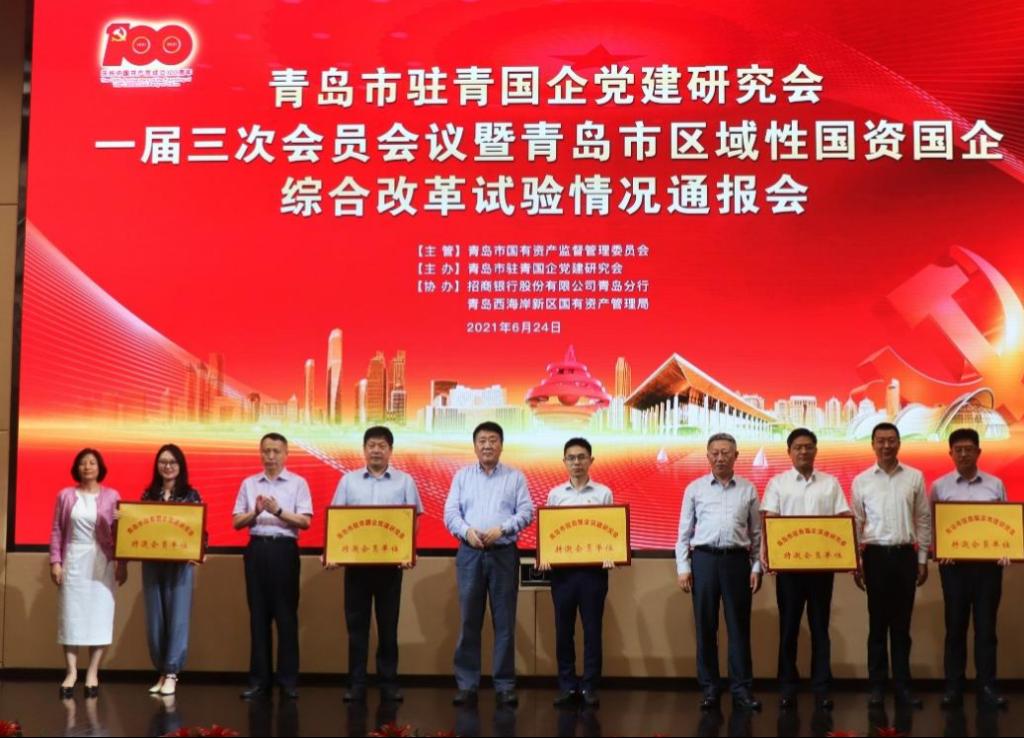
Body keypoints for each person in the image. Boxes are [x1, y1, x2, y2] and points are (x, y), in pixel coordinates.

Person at [327, 426, 423, 704]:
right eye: (372, 445)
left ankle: (388, 683)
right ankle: (356, 684)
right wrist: (333, 552)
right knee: (357, 629)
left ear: (390, 450)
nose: (376, 450)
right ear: (364, 449)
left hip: (390, 567)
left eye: (382, 445)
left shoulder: (405, 481)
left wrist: (407, 550)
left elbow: (414, 519)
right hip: (356, 566)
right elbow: (338, 520)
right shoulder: (348, 481)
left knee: (388, 628)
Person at [443, 421, 533, 707]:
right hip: (470, 553)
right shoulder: (462, 477)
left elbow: (527, 512)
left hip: (503, 554)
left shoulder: (515, 477)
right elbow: (450, 513)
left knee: (504, 621)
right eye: (482, 440)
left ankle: (504, 685)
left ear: (501, 445)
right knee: (469, 620)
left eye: (493, 440)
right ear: (474, 446)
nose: (487, 445)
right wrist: (466, 531)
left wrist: (503, 528)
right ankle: (467, 685)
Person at [760, 428, 849, 711]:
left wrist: (849, 552)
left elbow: (843, 518)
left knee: (820, 628)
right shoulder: (778, 483)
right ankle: (787, 687)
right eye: (798, 447)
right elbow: (769, 520)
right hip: (789, 569)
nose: (803, 451)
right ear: (789, 452)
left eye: (808, 446)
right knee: (788, 629)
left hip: (822, 567)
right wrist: (766, 552)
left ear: (815, 450)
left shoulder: (830, 484)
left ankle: (821, 689)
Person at [676, 433, 763, 712]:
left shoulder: (748, 489)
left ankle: (741, 689)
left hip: (736, 561)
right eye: (715, 453)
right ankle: (710, 689)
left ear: (736, 456)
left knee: (739, 628)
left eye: (726, 453)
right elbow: (683, 533)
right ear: (707, 456)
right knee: (705, 627)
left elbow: (757, 534)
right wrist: (683, 567)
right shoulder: (695, 489)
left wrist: (756, 566)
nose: (720, 457)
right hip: (704, 560)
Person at [852, 422, 931, 708]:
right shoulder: (861, 480)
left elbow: (923, 519)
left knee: (901, 627)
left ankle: (902, 688)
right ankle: (876, 687)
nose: (886, 446)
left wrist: (922, 559)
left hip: (905, 556)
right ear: (872, 444)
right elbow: (856, 523)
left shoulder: (914, 477)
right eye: (881, 441)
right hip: (874, 556)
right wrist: (857, 561)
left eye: (891, 440)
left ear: (899, 443)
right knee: (877, 625)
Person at [931, 428, 1010, 709]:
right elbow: (933, 526)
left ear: (978, 452)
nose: (963, 454)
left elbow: (1007, 525)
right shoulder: (940, 486)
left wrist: (1006, 549)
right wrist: (940, 550)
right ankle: (954, 688)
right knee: (955, 629)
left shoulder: (995, 485)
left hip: (988, 569)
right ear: (950, 453)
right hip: (954, 569)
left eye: (969, 449)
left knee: (986, 630)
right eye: (958, 449)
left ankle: (987, 687)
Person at [232, 433, 313, 700]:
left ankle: (288, 681)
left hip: (284, 550)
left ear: (286, 454)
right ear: (260, 453)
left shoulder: (298, 483)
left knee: (286, 617)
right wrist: (256, 512)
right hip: (257, 549)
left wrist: (278, 511)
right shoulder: (249, 483)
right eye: (266, 451)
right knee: (258, 617)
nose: (270, 456)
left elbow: (305, 522)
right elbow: (236, 522)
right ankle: (259, 681)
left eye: (276, 451)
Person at [537, 437, 614, 708]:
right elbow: (548, 531)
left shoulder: (603, 493)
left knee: (592, 631)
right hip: (563, 574)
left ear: (591, 460)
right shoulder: (555, 494)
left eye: (582, 457)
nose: (577, 462)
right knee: (563, 631)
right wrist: (545, 555)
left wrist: (611, 553)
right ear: (564, 462)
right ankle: (567, 685)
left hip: (593, 573)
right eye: (571, 458)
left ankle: (590, 686)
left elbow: (611, 531)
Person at [49, 448, 128, 698]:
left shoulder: (112, 495)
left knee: (100, 617)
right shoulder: (65, 495)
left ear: (100, 467)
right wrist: (55, 561)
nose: (87, 467)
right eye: (83, 463)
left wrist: (122, 521)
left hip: (102, 561)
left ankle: (93, 672)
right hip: (73, 558)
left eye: (92, 463)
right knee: (71, 616)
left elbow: (122, 533)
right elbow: (57, 530)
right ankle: (71, 672)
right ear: (77, 468)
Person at [139, 444, 204, 697]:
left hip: (180, 564)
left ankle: (172, 672)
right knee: (155, 619)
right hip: (153, 562)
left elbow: (201, 529)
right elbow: (138, 525)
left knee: (177, 618)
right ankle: (162, 670)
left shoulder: (191, 494)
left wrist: (199, 551)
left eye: (173, 462)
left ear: (180, 466)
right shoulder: (148, 494)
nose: (167, 466)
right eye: (163, 462)